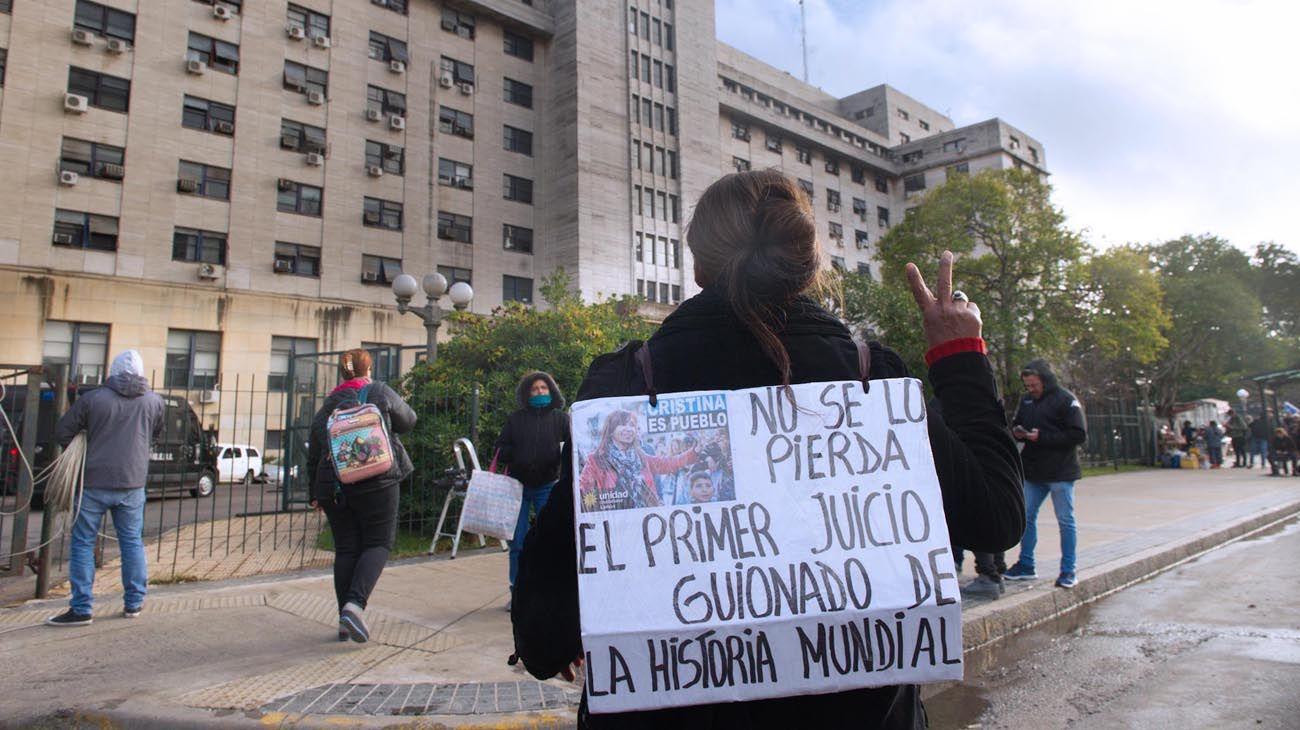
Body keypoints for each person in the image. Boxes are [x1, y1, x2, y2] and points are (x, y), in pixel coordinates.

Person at [512, 170, 1025, 728]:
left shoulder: (626, 386)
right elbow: (996, 519)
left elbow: (542, 634)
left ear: (698, 266)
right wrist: (959, 356)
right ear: (807, 265)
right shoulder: (868, 380)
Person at [46, 350, 164, 626]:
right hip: (133, 483)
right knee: (132, 542)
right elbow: (154, 436)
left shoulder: (93, 399)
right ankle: (134, 603)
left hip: (93, 483)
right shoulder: (155, 402)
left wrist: (87, 440)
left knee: (83, 544)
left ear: (112, 371)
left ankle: (82, 608)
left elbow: (63, 432)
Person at [307, 348, 416, 643]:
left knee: (346, 549)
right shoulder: (379, 391)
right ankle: (355, 605)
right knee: (378, 542)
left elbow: (314, 451)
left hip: (335, 486)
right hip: (377, 479)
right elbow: (409, 420)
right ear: (368, 370)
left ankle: (344, 620)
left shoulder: (327, 406)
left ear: (342, 373)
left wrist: (313, 493)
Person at [1004, 359, 1087, 589]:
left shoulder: (1066, 400)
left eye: (1034, 385)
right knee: (1026, 517)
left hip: (1061, 472)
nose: (1031, 389)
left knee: (1065, 521)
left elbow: (1078, 434)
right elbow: (1017, 422)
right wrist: (1018, 432)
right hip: (1034, 471)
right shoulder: (1027, 400)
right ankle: (1026, 565)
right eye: (1027, 386)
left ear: (1044, 380)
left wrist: (1043, 437)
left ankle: (1068, 570)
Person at [493, 371, 570, 601]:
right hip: (518, 488)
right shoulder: (516, 419)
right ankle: (517, 591)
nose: (539, 392)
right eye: (535, 389)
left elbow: (571, 449)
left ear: (551, 391)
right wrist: (517, 454)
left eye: (543, 388)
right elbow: (501, 448)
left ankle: (549, 588)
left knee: (549, 538)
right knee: (517, 542)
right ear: (527, 393)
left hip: (548, 486)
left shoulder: (561, 419)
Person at [576, 410, 700, 511]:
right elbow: (583, 492)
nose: (629, 429)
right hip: (616, 525)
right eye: (623, 424)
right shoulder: (596, 460)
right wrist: (598, 508)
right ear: (611, 430)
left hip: (647, 520)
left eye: (632, 425)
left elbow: (667, 464)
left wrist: (694, 452)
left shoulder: (641, 457)